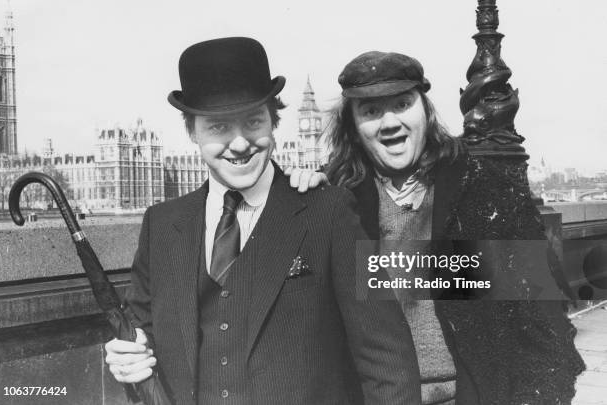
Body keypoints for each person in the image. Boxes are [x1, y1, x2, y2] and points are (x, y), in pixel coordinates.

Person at [104, 37, 422, 405]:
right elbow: (140, 334)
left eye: (253, 121)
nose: (239, 144)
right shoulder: (162, 224)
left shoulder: (329, 211)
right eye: (218, 128)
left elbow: (387, 362)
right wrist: (129, 357)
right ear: (192, 132)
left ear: (274, 121)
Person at [289, 51, 585, 404]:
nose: (389, 123)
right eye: (370, 111)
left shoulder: (480, 186)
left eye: (402, 104)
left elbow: (544, 323)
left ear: (425, 110)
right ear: (353, 127)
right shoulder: (338, 201)